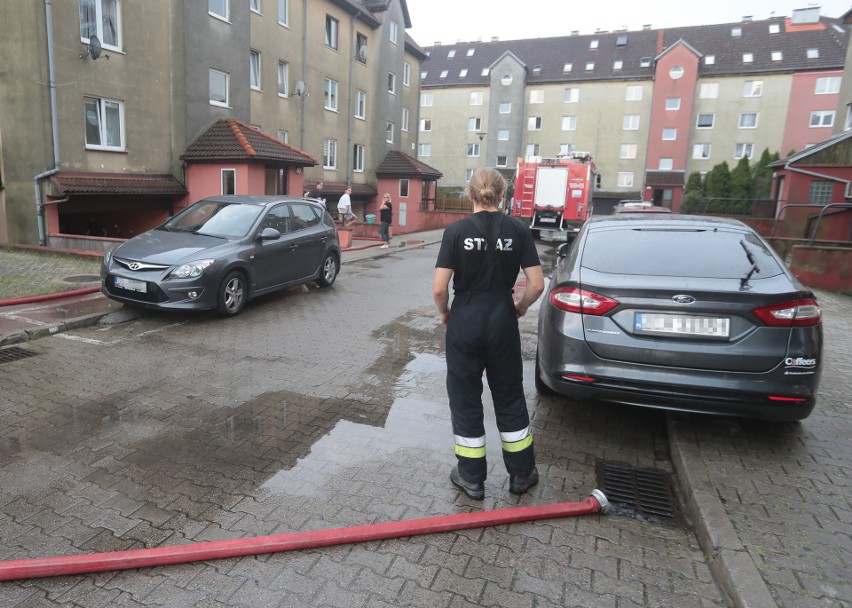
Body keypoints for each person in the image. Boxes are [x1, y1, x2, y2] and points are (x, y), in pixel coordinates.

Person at [432, 167, 545, 500]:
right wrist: (520, 307)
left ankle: (471, 478)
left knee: (466, 398)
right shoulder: (519, 229)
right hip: (502, 318)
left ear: (470, 195)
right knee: (509, 395)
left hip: (465, 319)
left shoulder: (455, 232)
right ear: (503, 195)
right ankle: (522, 474)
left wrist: (445, 313)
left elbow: (440, 288)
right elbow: (537, 284)